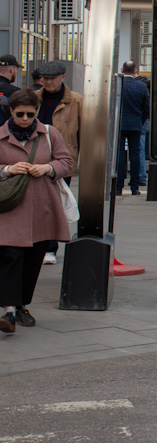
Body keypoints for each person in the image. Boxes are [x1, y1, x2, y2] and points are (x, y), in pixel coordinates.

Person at [0, 88, 76, 333]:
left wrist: (47, 168)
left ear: (36, 113)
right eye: (20, 114)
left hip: (42, 208)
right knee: (10, 257)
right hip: (9, 208)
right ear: (11, 111)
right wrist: (7, 169)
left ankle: (22, 305)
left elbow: (66, 162)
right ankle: (9, 311)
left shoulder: (50, 134)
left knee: (33, 261)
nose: (25, 119)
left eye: (30, 114)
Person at [35, 61, 80, 265]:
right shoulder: (34, 98)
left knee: (56, 205)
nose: (48, 82)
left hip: (61, 161)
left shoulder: (76, 101)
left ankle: (50, 248)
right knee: (36, 204)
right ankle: (36, 244)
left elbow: (82, 133)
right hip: (35, 159)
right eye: (45, 78)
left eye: (52, 78)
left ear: (63, 77)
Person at [115, 61, 150, 196]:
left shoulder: (118, 85)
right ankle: (134, 186)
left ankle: (118, 186)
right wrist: (141, 121)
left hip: (120, 124)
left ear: (122, 69)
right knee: (135, 154)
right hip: (136, 124)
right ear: (135, 71)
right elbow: (146, 107)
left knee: (120, 154)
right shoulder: (141, 86)